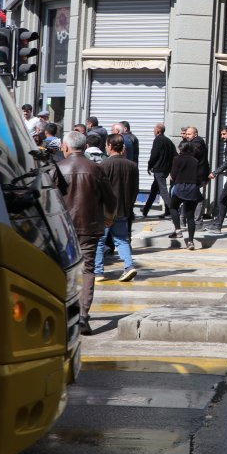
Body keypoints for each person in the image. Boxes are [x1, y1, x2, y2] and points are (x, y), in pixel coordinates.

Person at [55, 131, 116, 335]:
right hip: (89, 227)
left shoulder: (57, 169)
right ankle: (83, 317)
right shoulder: (95, 169)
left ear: (66, 147)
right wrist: (109, 217)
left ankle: (63, 315)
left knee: (61, 270)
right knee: (88, 270)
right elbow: (111, 198)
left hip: (62, 228)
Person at [95, 134, 139, 283]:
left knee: (100, 241)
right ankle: (129, 266)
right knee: (122, 239)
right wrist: (129, 206)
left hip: (105, 210)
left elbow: (98, 190)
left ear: (109, 146)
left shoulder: (104, 165)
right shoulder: (132, 166)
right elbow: (135, 190)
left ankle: (98, 272)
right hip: (123, 209)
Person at [169, 142, 204, 250]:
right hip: (192, 189)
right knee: (190, 216)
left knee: (173, 207)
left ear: (182, 149)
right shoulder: (195, 161)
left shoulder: (177, 159)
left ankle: (178, 229)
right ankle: (190, 241)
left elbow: (173, 175)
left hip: (180, 187)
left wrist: (173, 177)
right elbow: (199, 177)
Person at [142, 123, 175, 218]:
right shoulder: (168, 141)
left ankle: (173, 212)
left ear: (158, 131)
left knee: (163, 191)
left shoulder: (158, 140)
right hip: (165, 169)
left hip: (159, 169)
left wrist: (149, 166)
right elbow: (174, 154)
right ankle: (145, 210)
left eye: (154, 129)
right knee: (154, 190)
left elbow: (154, 155)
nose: (153, 131)